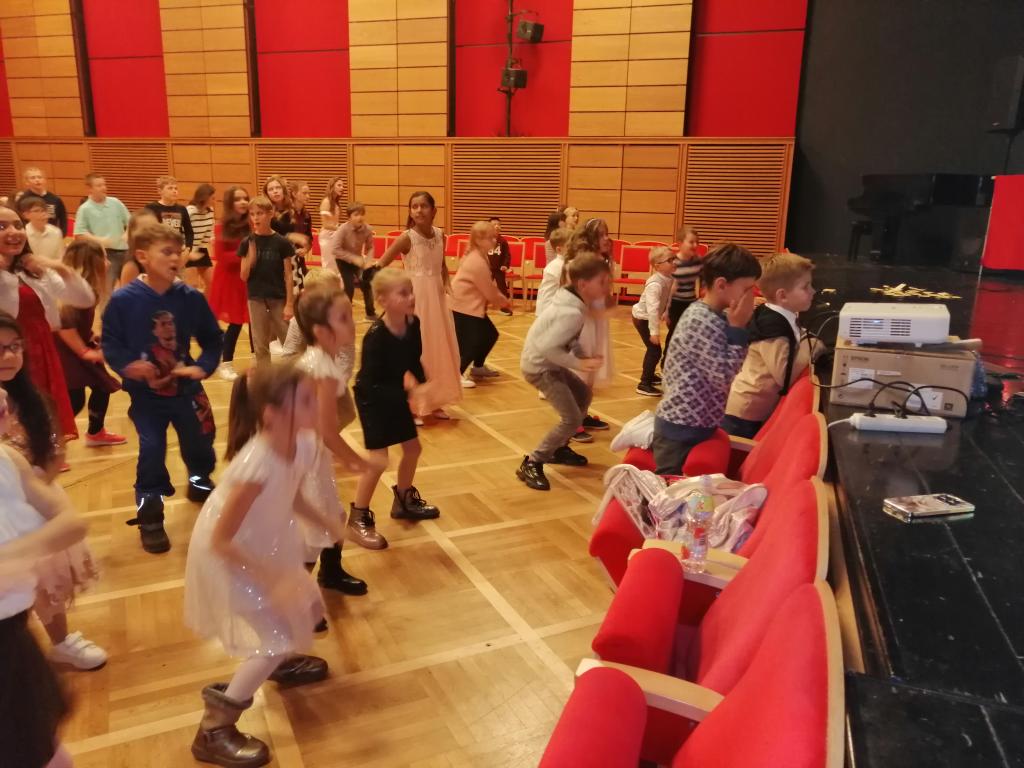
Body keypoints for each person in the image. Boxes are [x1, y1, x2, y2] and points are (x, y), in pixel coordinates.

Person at [184, 364, 341, 768]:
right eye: (306, 400)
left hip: (264, 541)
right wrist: (272, 579)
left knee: (305, 609)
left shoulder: (302, 442)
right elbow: (221, 540)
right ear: (272, 414)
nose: (317, 405)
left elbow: (293, 495)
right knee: (276, 636)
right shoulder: (256, 464)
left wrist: (329, 523)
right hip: (233, 553)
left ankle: (280, 662)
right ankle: (214, 728)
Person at [102, 223, 223, 554]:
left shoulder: (191, 298)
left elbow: (213, 339)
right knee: (152, 449)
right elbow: (110, 343)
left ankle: (199, 480)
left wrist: (202, 366)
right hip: (146, 396)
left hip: (186, 391)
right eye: (166, 252)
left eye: (178, 252)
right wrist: (128, 365)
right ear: (142, 256)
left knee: (200, 442)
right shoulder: (124, 300)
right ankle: (151, 514)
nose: (175, 258)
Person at [0, 312, 108, 673]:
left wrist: (29, 490)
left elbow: (53, 453)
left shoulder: (33, 400)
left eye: (15, 347)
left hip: (34, 506)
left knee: (47, 584)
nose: (9, 356)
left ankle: (60, 642)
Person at [0, 387, 87, 768]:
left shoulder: (7, 460)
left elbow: (71, 522)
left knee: (41, 740)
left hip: (12, 637)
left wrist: (15, 555)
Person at [350, 269, 441, 550]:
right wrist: (408, 395)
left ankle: (403, 500)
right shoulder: (376, 336)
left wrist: (421, 382)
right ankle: (358, 517)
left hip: (393, 394)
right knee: (378, 461)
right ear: (382, 300)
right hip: (371, 398)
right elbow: (370, 382)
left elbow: (412, 358)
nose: (411, 297)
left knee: (413, 449)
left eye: (411, 291)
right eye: (403, 293)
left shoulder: (413, 324)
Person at [653, 244, 760, 475]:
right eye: (747, 289)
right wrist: (738, 328)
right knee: (669, 488)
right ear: (721, 285)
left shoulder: (717, 316)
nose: (752, 296)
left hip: (697, 424)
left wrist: (738, 327)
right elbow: (723, 376)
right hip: (681, 428)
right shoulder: (700, 320)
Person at [293, 286, 369, 593]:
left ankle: (331, 573)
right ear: (322, 331)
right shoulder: (322, 369)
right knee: (314, 531)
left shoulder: (320, 360)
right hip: (307, 457)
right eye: (344, 317)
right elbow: (327, 430)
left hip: (311, 453)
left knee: (334, 516)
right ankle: (295, 599)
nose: (353, 322)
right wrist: (356, 460)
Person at [516, 252, 609, 491]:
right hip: (541, 368)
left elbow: (568, 339)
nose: (606, 287)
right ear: (583, 284)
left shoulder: (573, 303)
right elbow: (548, 348)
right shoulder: (571, 312)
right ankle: (533, 461)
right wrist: (579, 364)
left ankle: (558, 449)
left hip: (549, 364)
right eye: (602, 282)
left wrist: (581, 355)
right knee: (572, 419)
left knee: (583, 395)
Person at [0, 205, 94, 441]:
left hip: (41, 351)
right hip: (6, 354)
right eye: (2, 226)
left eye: (18, 225)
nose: (13, 232)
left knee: (41, 418)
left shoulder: (32, 271)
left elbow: (85, 299)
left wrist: (58, 268)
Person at [376, 191, 462, 422]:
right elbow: (381, 264)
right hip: (414, 300)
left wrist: (448, 286)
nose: (418, 210)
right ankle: (413, 405)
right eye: (414, 206)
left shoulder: (441, 235)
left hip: (437, 300)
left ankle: (434, 401)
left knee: (438, 349)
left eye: (423, 206)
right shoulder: (406, 238)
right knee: (416, 351)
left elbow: (442, 266)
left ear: (434, 210)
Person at [723, 252, 818, 438]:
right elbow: (784, 376)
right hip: (745, 413)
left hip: (753, 408)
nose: (813, 291)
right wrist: (812, 347)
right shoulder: (772, 328)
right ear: (782, 296)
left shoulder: (781, 316)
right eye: (806, 287)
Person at [55, 241, 125, 446]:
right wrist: (84, 351)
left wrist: (90, 334)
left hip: (76, 346)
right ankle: (51, 442)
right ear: (91, 262)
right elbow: (64, 325)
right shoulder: (76, 290)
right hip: (67, 352)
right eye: (104, 258)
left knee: (102, 386)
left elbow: (76, 323)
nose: (108, 263)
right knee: (74, 400)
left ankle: (96, 432)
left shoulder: (85, 288)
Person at [564, 219, 614, 440]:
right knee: (580, 373)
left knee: (591, 373)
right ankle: (572, 422)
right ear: (589, 238)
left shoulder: (601, 261)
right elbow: (575, 295)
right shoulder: (577, 263)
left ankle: (582, 415)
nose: (606, 239)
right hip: (582, 323)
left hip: (597, 321)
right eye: (601, 235)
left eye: (606, 234)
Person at [451, 221, 512, 388]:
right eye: (490, 238)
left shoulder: (480, 255)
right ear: (478, 240)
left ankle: (477, 367)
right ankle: (455, 374)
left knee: (490, 335)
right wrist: (503, 302)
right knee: (472, 342)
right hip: (462, 307)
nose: (494, 240)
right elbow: (488, 289)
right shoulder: (476, 260)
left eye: (495, 237)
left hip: (470, 306)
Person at [239, 196, 294, 367]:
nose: (255, 218)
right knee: (260, 344)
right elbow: (243, 276)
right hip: (256, 298)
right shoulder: (247, 242)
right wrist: (251, 258)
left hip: (278, 297)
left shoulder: (281, 242)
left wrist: (289, 304)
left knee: (288, 341)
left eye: (260, 213)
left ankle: (293, 375)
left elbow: (288, 275)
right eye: (252, 214)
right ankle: (265, 377)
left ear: (270, 214)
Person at [209, 186, 251, 381]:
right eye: (238, 199)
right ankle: (225, 363)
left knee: (255, 322)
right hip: (230, 280)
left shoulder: (251, 223)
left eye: (245, 198)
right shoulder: (221, 226)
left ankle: (259, 360)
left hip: (249, 278)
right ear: (229, 203)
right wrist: (246, 254)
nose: (243, 202)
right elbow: (221, 257)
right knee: (236, 323)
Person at [73, 173, 131, 294]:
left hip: (124, 251)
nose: (104, 188)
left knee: (131, 286)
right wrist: (98, 240)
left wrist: (127, 233)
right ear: (90, 189)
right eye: (99, 186)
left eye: (104, 185)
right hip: (105, 254)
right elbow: (79, 234)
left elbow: (131, 221)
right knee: (107, 288)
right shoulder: (84, 209)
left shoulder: (115, 202)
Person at [631, 246, 677, 397]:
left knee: (654, 350)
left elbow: (667, 298)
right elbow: (652, 310)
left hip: (649, 317)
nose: (674, 262)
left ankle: (650, 376)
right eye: (669, 260)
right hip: (642, 318)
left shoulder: (669, 278)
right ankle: (644, 383)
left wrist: (666, 312)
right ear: (657, 266)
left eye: (674, 258)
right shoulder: (655, 284)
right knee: (654, 350)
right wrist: (654, 332)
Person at [328, 201, 376, 319]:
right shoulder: (342, 229)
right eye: (356, 215)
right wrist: (353, 258)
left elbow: (370, 247)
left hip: (358, 260)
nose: (360, 217)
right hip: (343, 261)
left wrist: (368, 261)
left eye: (362, 214)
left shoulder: (368, 229)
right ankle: (344, 314)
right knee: (349, 287)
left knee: (366, 283)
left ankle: (370, 313)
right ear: (349, 217)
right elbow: (335, 249)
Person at [664, 225, 702, 358]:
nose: (695, 245)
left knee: (690, 335)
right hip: (675, 304)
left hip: (691, 304)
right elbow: (668, 289)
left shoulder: (698, 261)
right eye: (691, 242)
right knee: (674, 333)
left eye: (697, 242)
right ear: (680, 244)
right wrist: (666, 310)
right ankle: (666, 360)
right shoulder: (673, 262)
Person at [145, 176, 194, 257]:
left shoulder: (182, 209)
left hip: (177, 251)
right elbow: (146, 232)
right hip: (158, 252)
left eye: (176, 188)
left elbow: (189, 232)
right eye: (170, 188)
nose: (174, 191)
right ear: (160, 191)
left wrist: (188, 248)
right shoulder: (151, 208)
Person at [185, 183, 216, 296]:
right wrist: (188, 251)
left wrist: (210, 241)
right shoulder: (190, 211)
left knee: (212, 283)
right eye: (212, 198)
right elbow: (182, 231)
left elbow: (209, 231)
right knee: (192, 285)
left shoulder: (210, 211)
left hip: (200, 249)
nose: (214, 201)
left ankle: (205, 305)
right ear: (205, 197)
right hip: (188, 249)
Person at [117, 208, 160, 288]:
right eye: (146, 229)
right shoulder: (131, 266)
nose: (152, 233)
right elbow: (128, 295)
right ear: (133, 233)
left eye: (155, 228)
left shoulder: (157, 256)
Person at [19, 167, 68, 235]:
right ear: (27, 182)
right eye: (33, 178)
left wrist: (62, 234)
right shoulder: (23, 200)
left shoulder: (55, 199)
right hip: (31, 235)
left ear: (44, 180)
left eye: (39, 177)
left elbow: (63, 219)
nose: (37, 180)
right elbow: (19, 220)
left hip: (51, 234)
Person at [534, 227, 570, 316]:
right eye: (570, 246)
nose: (575, 249)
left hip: (554, 308)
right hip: (549, 309)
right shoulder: (557, 266)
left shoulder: (564, 264)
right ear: (559, 250)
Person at [19, 195, 64, 262]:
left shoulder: (56, 232)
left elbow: (60, 258)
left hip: (52, 267)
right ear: (26, 215)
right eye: (37, 211)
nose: (43, 214)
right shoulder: (23, 233)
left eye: (44, 210)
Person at [487, 216, 513, 316]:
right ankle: (478, 307)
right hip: (487, 269)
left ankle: (504, 308)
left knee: (502, 289)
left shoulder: (503, 241)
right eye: (494, 225)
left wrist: (505, 265)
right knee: (483, 287)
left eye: (499, 224)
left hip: (499, 269)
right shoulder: (484, 239)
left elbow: (507, 255)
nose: (497, 226)